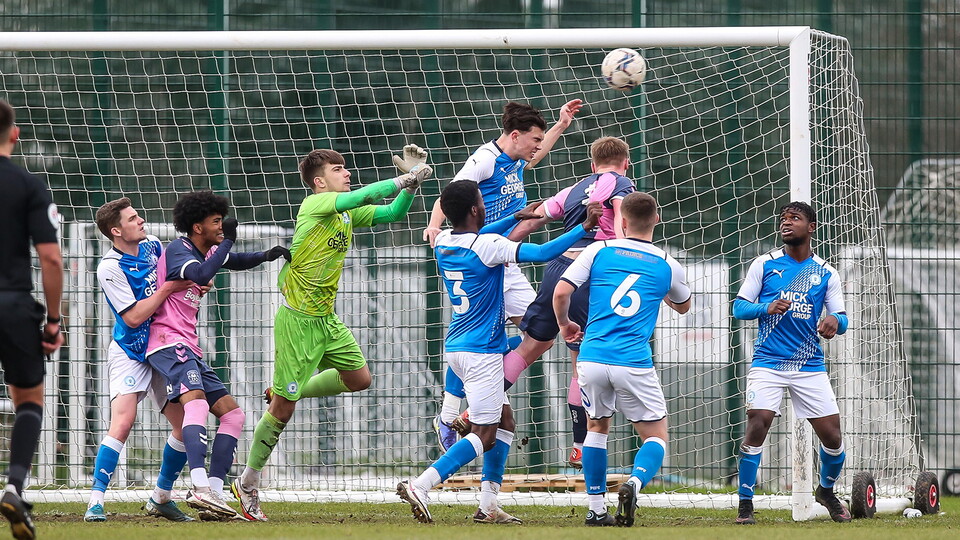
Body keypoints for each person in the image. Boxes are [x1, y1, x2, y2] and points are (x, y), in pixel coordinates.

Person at [233, 145, 433, 522]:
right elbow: (364, 195)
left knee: (359, 378)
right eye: (338, 169)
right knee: (284, 410)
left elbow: (392, 212)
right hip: (298, 321)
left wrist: (412, 185)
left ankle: (286, 388)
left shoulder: (344, 214)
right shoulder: (314, 206)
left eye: (346, 168)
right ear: (320, 182)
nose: (347, 173)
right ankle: (247, 484)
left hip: (326, 319)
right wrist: (402, 177)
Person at [397, 179, 602, 525]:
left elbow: (484, 232)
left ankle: (488, 505)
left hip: (457, 348)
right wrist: (583, 228)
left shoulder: (444, 241)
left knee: (505, 422)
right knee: (485, 433)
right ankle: (422, 484)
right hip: (482, 354)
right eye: (481, 201)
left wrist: (514, 218)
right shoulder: (488, 247)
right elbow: (541, 253)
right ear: (477, 208)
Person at [423, 99, 584, 451]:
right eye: (534, 139)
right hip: (488, 257)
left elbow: (534, 157)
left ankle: (472, 396)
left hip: (505, 259)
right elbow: (450, 194)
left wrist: (560, 126)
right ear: (515, 135)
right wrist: (435, 226)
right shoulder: (485, 159)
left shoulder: (514, 161)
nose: (537, 147)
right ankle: (450, 413)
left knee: (541, 334)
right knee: (523, 333)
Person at [145, 190, 290, 521]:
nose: (221, 226)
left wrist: (268, 255)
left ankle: (215, 495)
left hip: (188, 346)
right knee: (195, 403)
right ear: (197, 227)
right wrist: (228, 241)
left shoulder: (205, 250)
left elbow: (232, 261)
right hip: (167, 342)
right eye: (215, 222)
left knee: (233, 415)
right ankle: (199, 486)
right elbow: (198, 274)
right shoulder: (179, 250)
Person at [493, 135, 636, 469]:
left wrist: (504, 248)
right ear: (625, 162)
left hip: (556, 270)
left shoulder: (574, 189)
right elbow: (621, 222)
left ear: (592, 164)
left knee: (530, 346)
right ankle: (579, 447)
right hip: (591, 274)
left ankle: (476, 407)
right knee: (579, 363)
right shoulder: (623, 185)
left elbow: (536, 216)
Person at [553, 191, 691, 527]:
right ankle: (634, 482)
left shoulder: (598, 249)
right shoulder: (667, 264)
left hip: (593, 357)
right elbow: (684, 305)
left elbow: (561, 291)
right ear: (656, 220)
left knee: (596, 428)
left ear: (622, 222)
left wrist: (565, 324)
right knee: (656, 435)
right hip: (633, 361)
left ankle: (596, 510)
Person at [732, 201, 850, 525]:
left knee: (834, 438)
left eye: (794, 218)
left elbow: (842, 317)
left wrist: (833, 322)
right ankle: (745, 504)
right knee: (758, 421)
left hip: (808, 364)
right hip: (768, 361)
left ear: (811, 227)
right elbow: (739, 308)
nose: (786, 224)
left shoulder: (826, 272)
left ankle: (825, 491)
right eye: (783, 219)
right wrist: (765, 307)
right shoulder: (765, 265)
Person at [85, 198, 196, 523]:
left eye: (138, 214)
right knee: (123, 421)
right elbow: (133, 317)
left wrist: (196, 280)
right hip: (131, 352)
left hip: (162, 347)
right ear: (116, 230)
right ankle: (95, 502)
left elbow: (172, 278)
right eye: (133, 218)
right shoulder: (110, 267)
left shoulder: (152, 246)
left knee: (184, 423)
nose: (142, 220)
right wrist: (167, 290)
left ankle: (161, 497)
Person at [0, 99, 63, 540]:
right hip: (12, 306)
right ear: (15, 134)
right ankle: (13, 485)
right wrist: (54, 319)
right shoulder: (27, 183)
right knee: (28, 402)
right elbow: (51, 259)